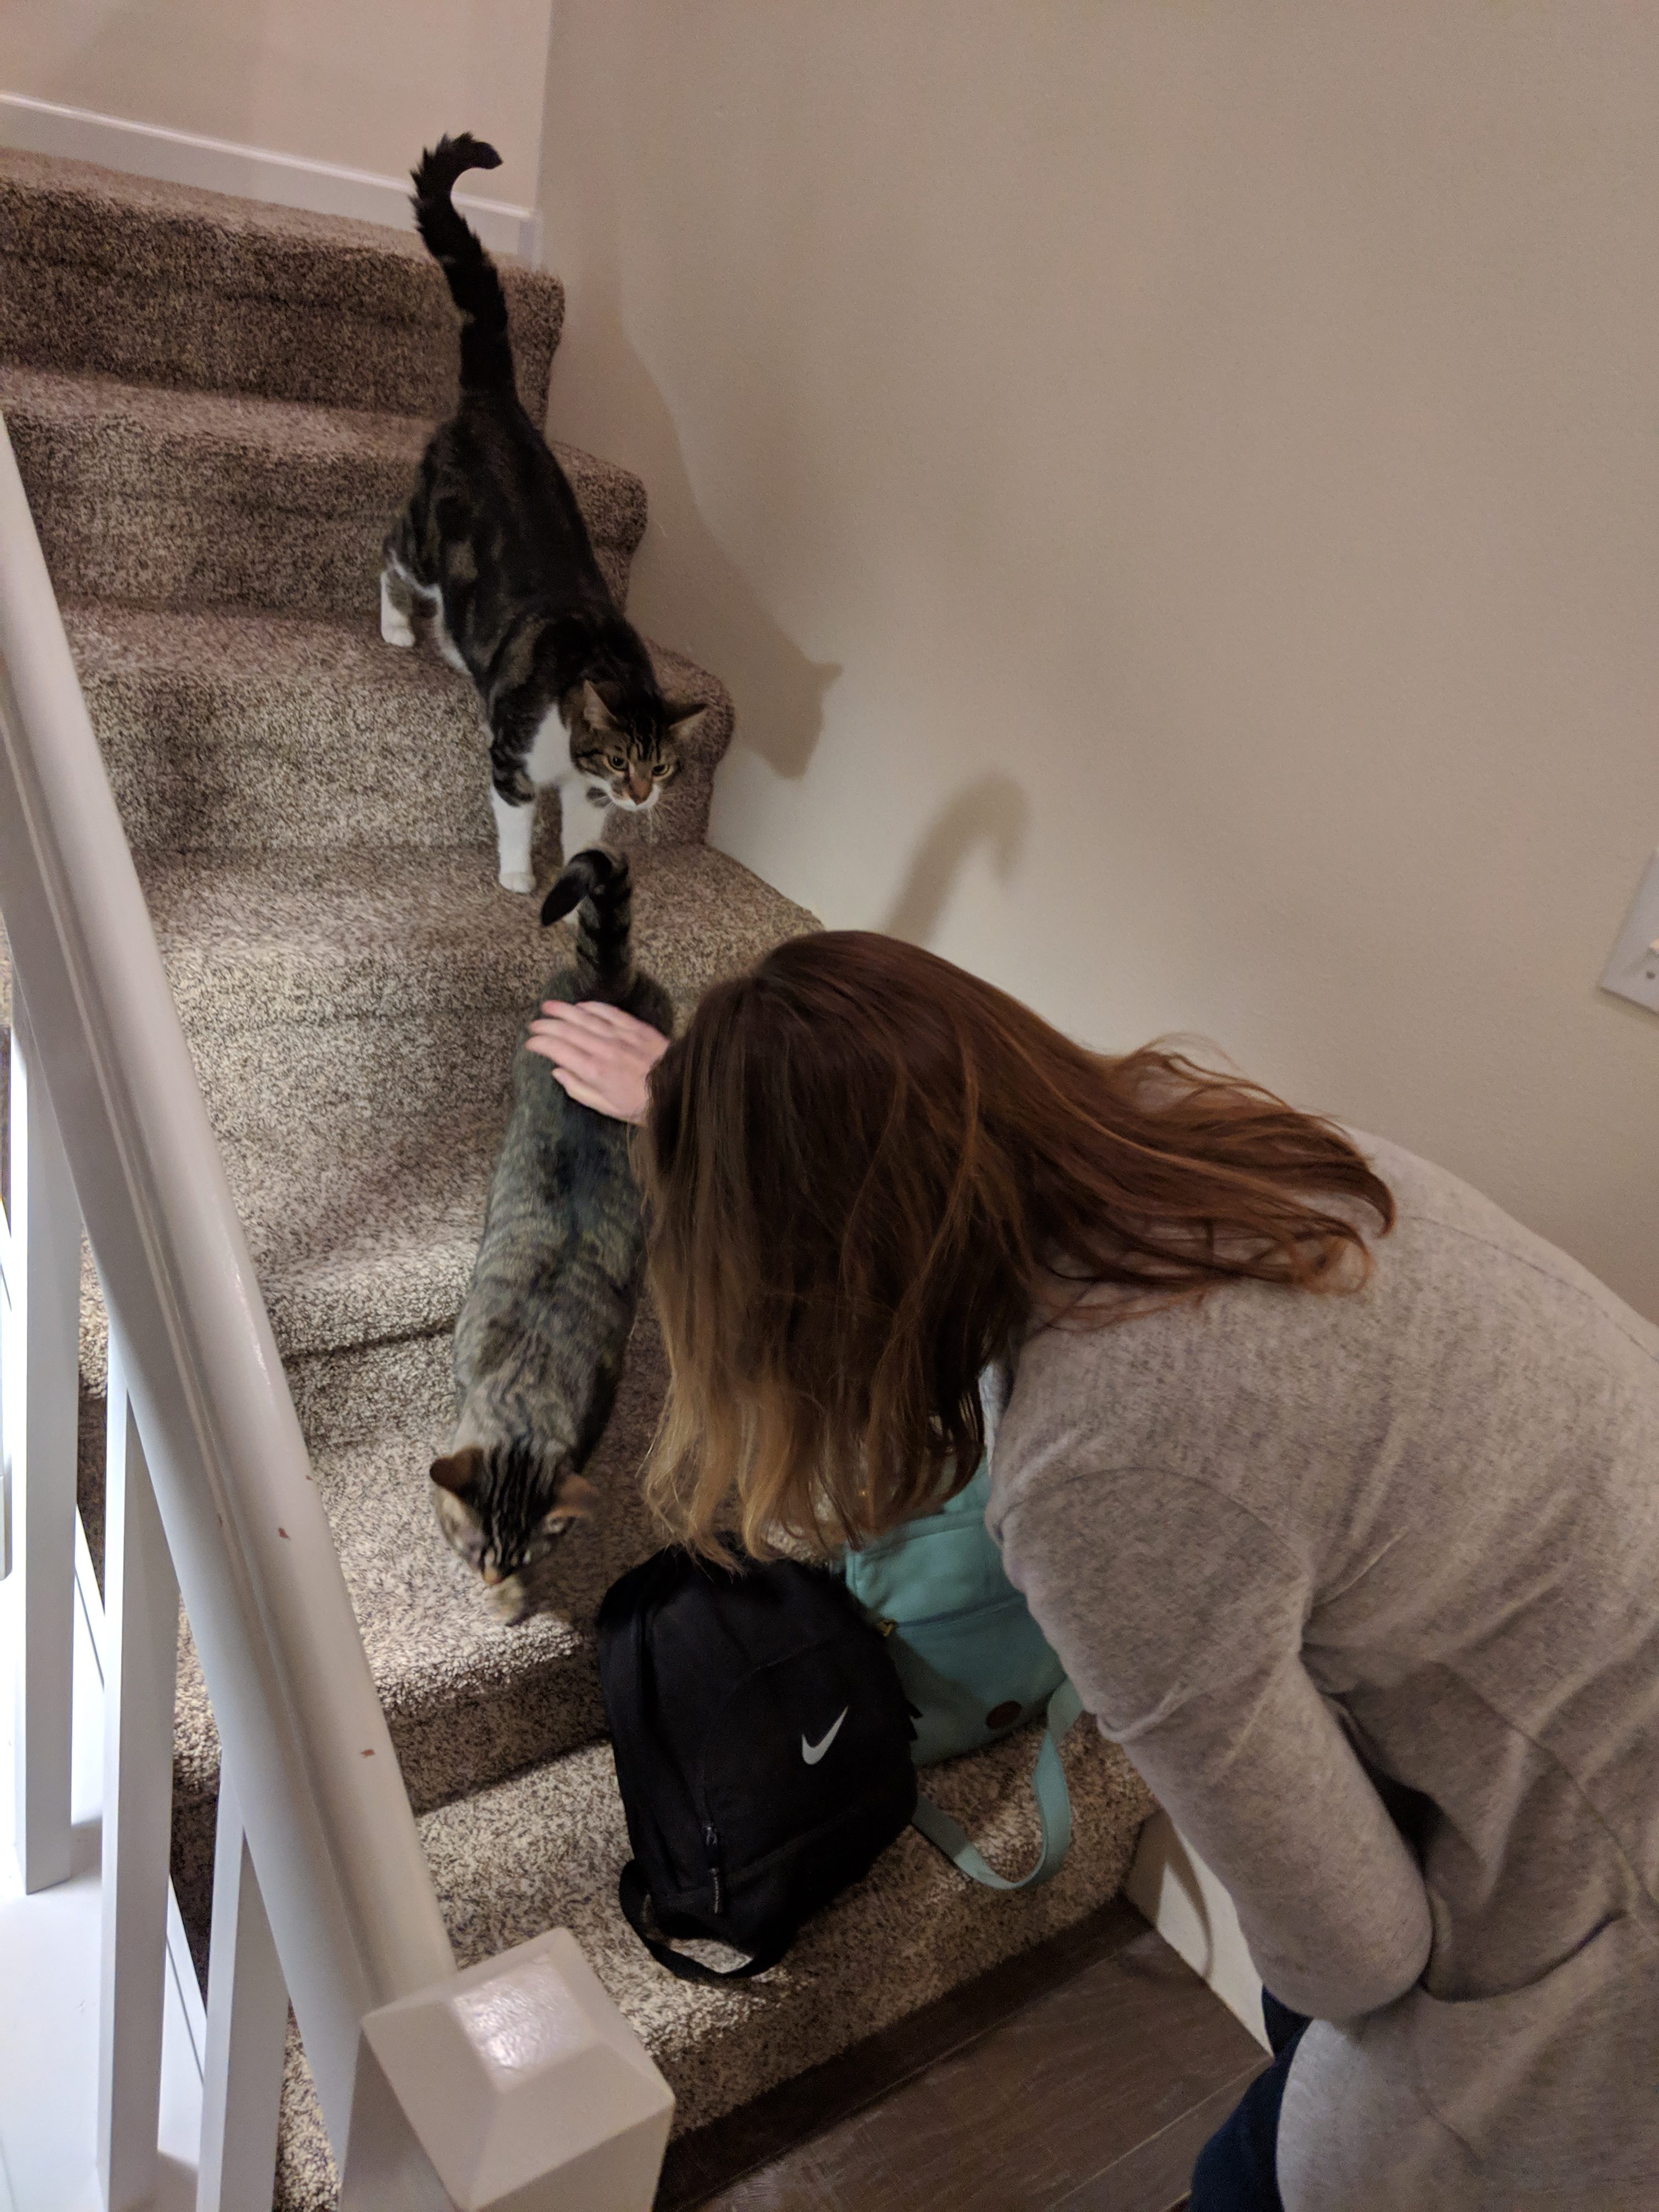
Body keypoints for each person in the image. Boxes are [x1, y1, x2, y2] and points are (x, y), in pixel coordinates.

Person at [528, 930, 1659, 2212]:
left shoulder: (1101, 1470)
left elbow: (1355, 1960)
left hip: (1608, 1923)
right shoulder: (1208, 1142)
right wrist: (726, 1109)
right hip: (1582, 1691)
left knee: (1266, 2180)